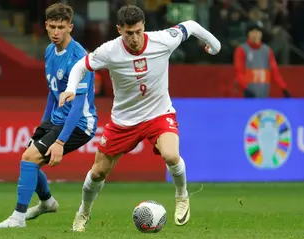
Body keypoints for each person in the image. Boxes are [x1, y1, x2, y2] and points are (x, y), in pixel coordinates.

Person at [59, 4, 221, 232]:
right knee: (98, 172)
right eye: (128, 33)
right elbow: (80, 66)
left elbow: (191, 26)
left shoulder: (163, 40)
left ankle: (182, 196)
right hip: (124, 121)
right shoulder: (109, 51)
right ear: (119, 30)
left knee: (171, 155)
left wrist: (215, 46)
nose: (134, 38)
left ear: (143, 26)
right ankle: (83, 213)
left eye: (138, 31)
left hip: (158, 114)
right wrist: (71, 88)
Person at [0, 3, 97, 228]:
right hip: (57, 119)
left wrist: (59, 142)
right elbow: (53, 92)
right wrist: (44, 125)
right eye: (52, 27)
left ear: (71, 27)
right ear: (46, 26)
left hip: (80, 123)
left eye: (61, 27)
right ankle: (47, 202)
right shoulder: (50, 50)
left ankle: (18, 218)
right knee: (28, 159)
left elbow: (78, 106)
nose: (56, 32)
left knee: (29, 158)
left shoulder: (79, 58)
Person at [234, 21, 291, 98]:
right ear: (248, 33)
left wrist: (283, 88)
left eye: (258, 32)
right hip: (247, 96)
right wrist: (246, 88)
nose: (256, 34)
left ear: (261, 34)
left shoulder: (267, 51)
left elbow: (275, 72)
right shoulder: (241, 50)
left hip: (264, 97)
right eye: (253, 32)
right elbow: (239, 72)